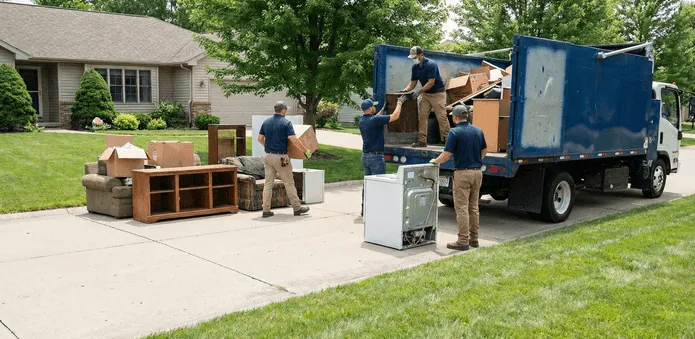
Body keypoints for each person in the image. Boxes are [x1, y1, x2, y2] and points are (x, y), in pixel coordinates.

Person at [429, 104, 487, 251]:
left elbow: (446, 155)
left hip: (463, 173)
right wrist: (475, 160)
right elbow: (484, 150)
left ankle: (462, 241)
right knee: (473, 207)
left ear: (455, 117)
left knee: (461, 208)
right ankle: (474, 239)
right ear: (466, 115)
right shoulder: (478, 130)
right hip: (477, 172)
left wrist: (435, 161)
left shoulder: (454, 133)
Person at [257, 101, 310, 218]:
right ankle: (297, 208)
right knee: (289, 182)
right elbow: (294, 140)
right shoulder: (286, 123)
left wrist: (268, 147)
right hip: (282, 158)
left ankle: (266, 210)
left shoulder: (266, 122)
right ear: (283, 110)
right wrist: (305, 151)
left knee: (268, 184)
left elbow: (260, 138)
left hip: (268, 156)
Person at [358, 96, 406, 216]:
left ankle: (365, 209)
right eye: (373, 106)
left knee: (368, 184)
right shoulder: (374, 120)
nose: (375, 107)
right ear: (370, 108)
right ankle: (378, 211)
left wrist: (383, 110)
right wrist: (399, 102)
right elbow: (395, 116)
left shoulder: (362, 120)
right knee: (379, 185)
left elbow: (376, 118)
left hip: (365, 157)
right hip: (376, 158)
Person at [402, 46, 450, 148]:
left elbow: (431, 83)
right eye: (412, 58)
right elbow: (413, 83)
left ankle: (446, 140)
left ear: (421, 55)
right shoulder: (415, 67)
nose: (413, 59)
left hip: (438, 93)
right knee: (422, 117)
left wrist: (418, 92)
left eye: (415, 57)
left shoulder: (431, 65)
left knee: (441, 117)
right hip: (426, 94)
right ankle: (422, 141)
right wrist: (405, 90)